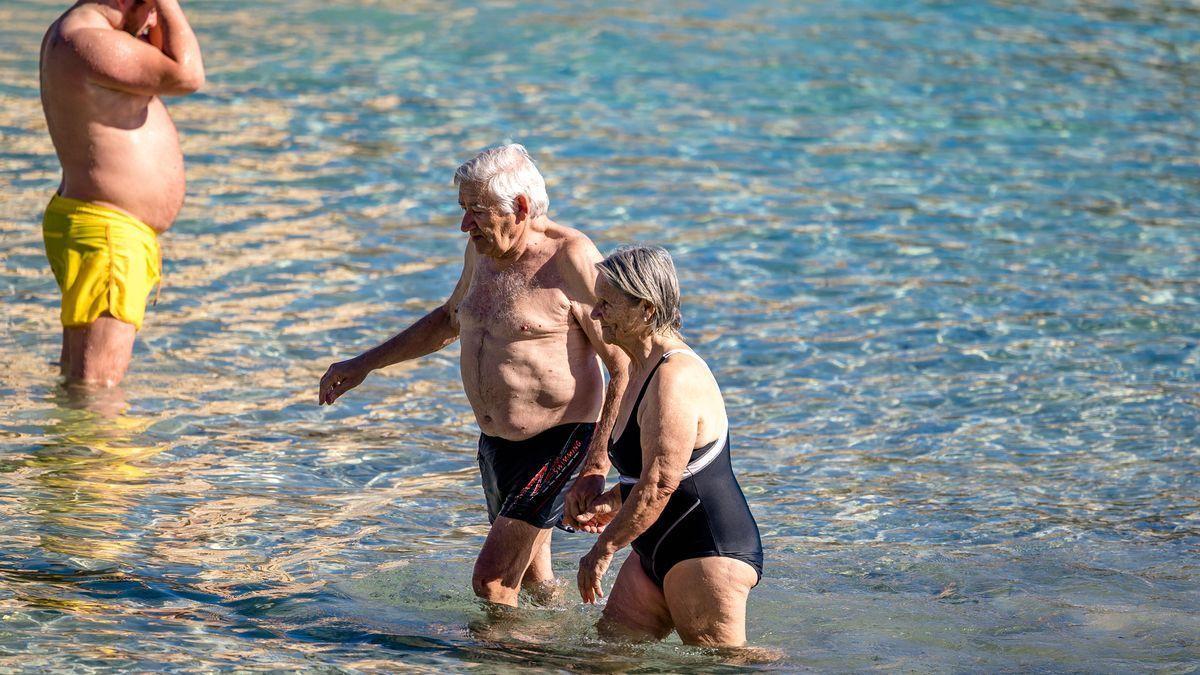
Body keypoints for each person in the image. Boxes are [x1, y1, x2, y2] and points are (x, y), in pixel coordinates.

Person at [319, 144, 628, 607]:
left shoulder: (571, 258)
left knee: (492, 581)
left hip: (559, 441)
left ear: (520, 207)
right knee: (531, 582)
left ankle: (495, 660)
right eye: (463, 210)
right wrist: (364, 363)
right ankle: (558, 652)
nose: (465, 225)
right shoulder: (481, 250)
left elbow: (622, 361)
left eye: (476, 212)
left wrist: (598, 462)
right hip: (498, 444)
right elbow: (449, 320)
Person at [574, 245, 763, 647]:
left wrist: (603, 550)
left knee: (725, 669)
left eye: (606, 303)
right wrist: (608, 503)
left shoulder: (673, 377)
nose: (594, 313)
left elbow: (660, 483)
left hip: (705, 551)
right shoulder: (637, 369)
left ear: (644, 308)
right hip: (654, 552)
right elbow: (653, 474)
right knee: (605, 658)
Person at [39, 0, 205, 387]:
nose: (155, 19)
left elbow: (168, 57)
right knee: (96, 389)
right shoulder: (88, 40)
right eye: (152, 7)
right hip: (109, 239)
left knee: (82, 382)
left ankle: (75, 447)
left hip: (106, 231)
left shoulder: (90, 37)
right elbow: (188, 74)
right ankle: (99, 450)